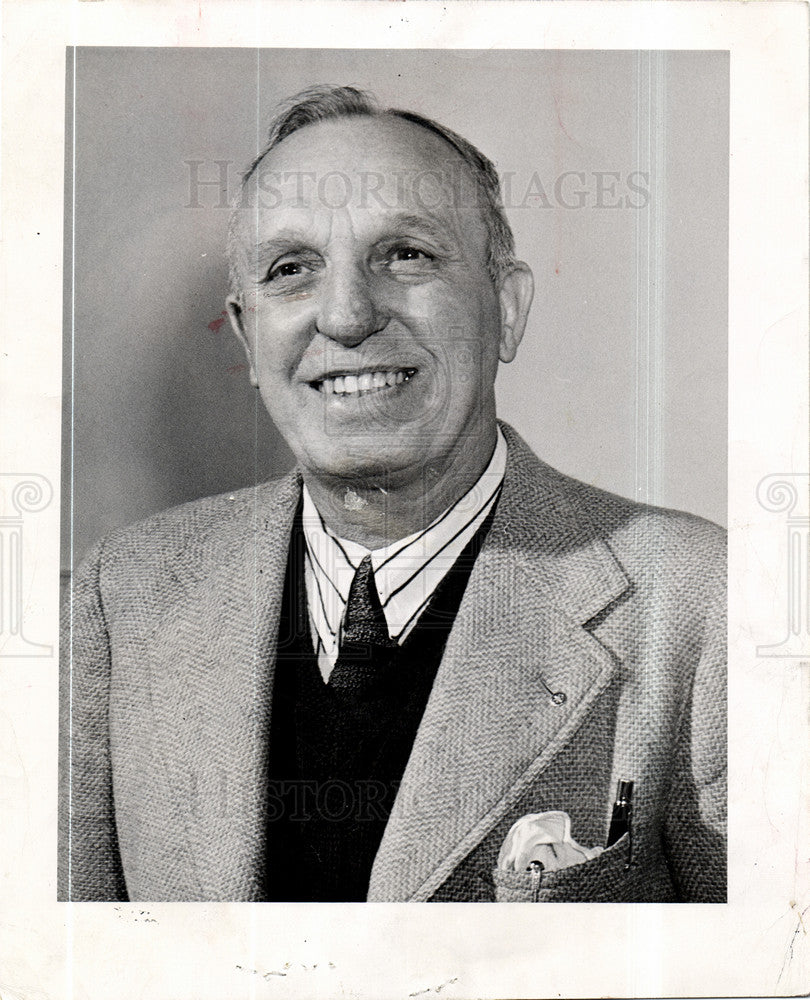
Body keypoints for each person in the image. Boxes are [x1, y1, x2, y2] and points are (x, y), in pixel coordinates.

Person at [58, 85, 726, 903]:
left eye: (405, 254)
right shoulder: (120, 596)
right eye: (291, 269)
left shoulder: (704, 604)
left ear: (506, 309)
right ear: (247, 337)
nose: (344, 316)